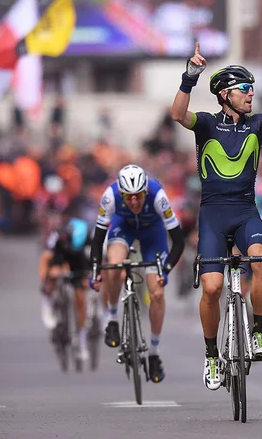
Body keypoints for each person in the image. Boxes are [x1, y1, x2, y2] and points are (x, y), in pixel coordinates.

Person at [170, 41, 262, 390]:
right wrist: (190, 78)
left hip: (247, 212)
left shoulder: (258, 124)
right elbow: (177, 115)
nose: (251, 95)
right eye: (245, 89)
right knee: (213, 287)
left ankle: (259, 331)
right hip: (214, 216)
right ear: (225, 95)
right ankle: (212, 356)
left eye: (252, 89)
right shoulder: (204, 124)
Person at [89, 164, 185, 383]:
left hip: (153, 234)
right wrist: (95, 271)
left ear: (145, 192)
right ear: (121, 193)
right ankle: (112, 319)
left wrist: (166, 269)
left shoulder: (158, 196)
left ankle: (154, 353)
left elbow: (178, 242)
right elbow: (97, 240)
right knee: (114, 266)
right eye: (129, 197)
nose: (134, 202)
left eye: (138, 196)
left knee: (157, 294)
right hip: (123, 228)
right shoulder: (110, 197)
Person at [38, 199, 91, 360]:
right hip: (60, 256)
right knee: (51, 270)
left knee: (81, 298)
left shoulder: (86, 236)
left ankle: (81, 340)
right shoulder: (58, 235)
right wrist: (49, 277)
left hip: (79, 261)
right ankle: (47, 301)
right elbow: (47, 257)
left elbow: (93, 261)